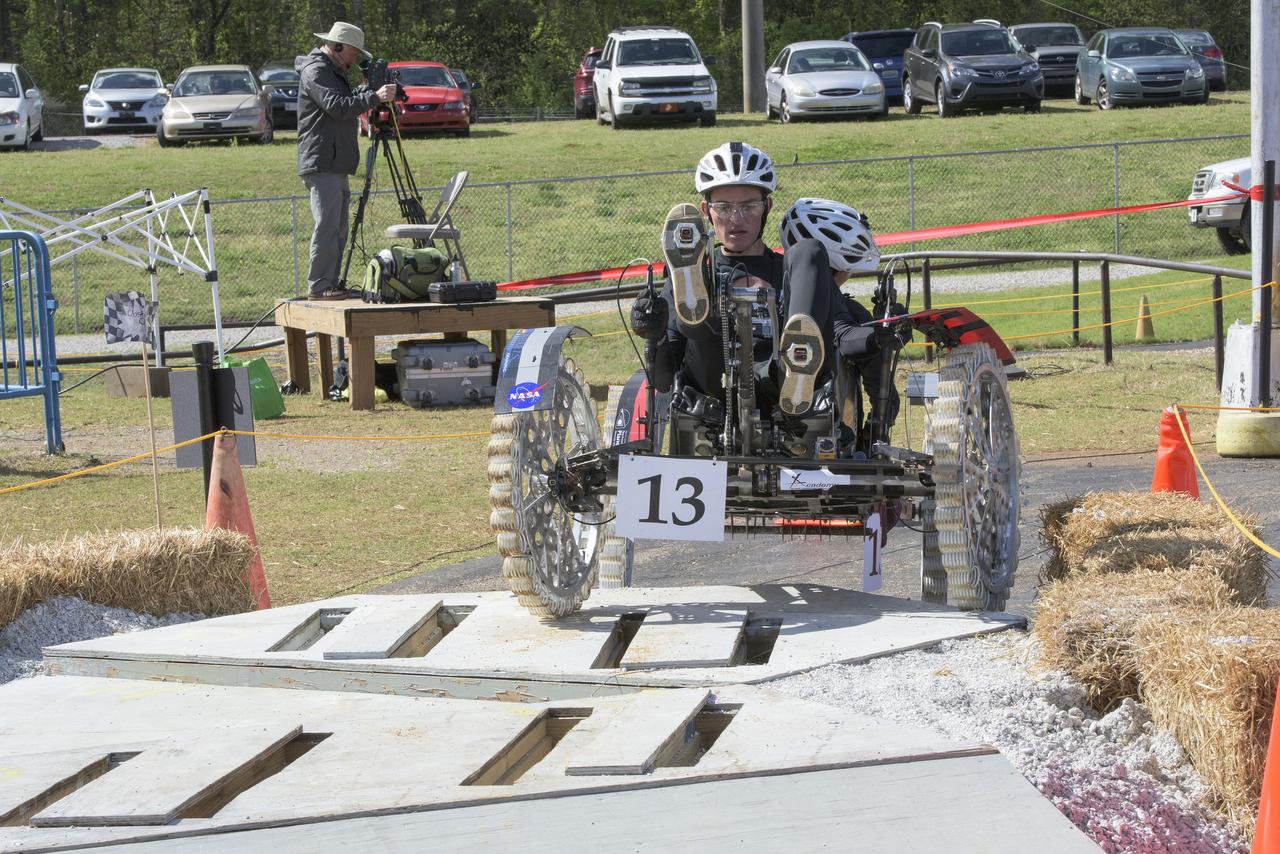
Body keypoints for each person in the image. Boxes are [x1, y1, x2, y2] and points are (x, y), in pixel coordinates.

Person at [652, 141, 876, 421]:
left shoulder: (796, 274)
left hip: (785, 391)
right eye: (723, 207)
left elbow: (843, 335)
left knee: (809, 251)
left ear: (767, 206)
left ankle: (798, 360)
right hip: (711, 396)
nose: (736, 218)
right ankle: (699, 318)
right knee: (699, 315)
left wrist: (883, 334)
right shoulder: (687, 277)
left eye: (749, 206)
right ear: (705, 211)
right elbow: (663, 379)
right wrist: (655, 334)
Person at [777, 197, 901, 442]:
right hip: (820, 415)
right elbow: (845, 339)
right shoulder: (834, 302)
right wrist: (881, 337)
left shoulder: (780, 281)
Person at [295, 22, 398, 300]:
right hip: (322, 161)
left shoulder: (332, 71)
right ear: (337, 47)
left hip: (334, 161)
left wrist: (366, 91)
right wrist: (373, 97)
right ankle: (319, 286)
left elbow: (344, 100)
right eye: (353, 53)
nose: (354, 59)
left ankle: (330, 283)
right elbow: (337, 107)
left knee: (338, 228)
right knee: (327, 227)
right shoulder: (316, 70)